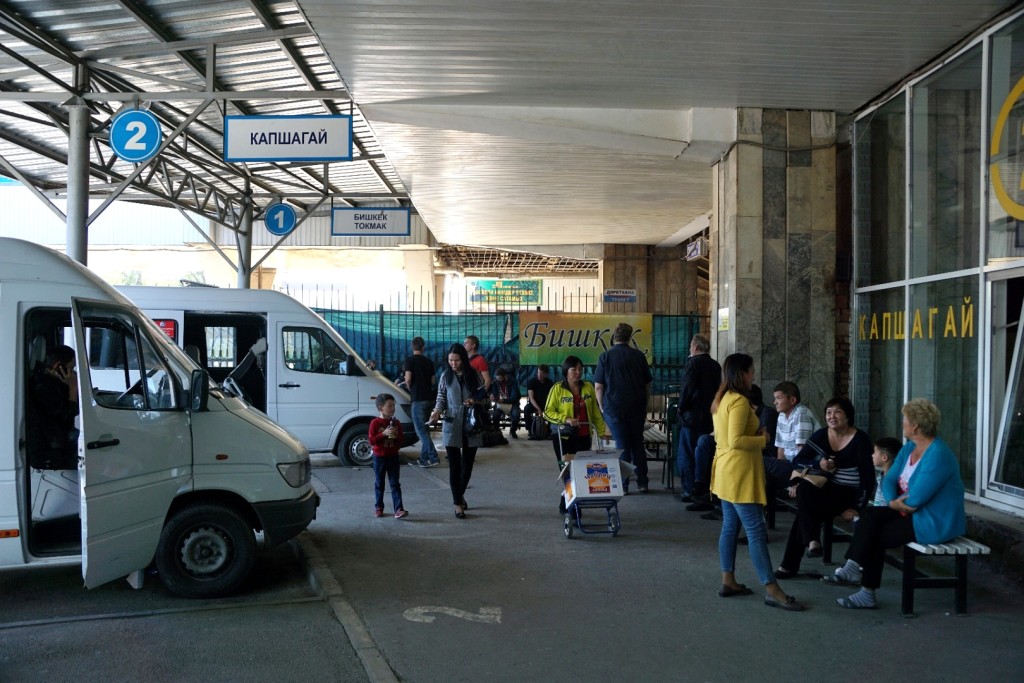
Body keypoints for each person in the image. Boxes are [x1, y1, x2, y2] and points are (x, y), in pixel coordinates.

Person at [824, 399, 965, 610]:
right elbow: (889, 479)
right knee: (870, 515)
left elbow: (917, 498)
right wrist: (892, 502)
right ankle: (854, 568)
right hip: (907, 512)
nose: (903, 423)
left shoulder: (938, 455)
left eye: (905, 420)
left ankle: (865, 590)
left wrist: (901, 504)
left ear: (915, 425)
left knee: (875, 535)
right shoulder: (910, 447)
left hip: (932, 520)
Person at [710, 353, 804, 611]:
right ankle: (772, 589)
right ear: (741, 373)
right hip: (739, 472)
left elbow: (726, 438)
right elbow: (736, 440)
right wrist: (763, 438)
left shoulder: (722, 399)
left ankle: (728, 579)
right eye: (751, 371)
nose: (753, 375)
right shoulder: (739, 402)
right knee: (755, 531)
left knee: (730, 526)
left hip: (726, 471)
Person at [775, 398, 874, 578]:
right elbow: (798, 460)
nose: (832, 416)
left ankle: (793, 561)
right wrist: (818, 464)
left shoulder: (860, 440)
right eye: (828, 412)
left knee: (805, 513)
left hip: (848, 494)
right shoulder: (821, 435)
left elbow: (868, 479)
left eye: (837, 412)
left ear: (847, 416)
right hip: (826, 489)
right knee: (805, 490)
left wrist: (856, 507)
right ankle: (812, 541)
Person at [429, 343, 486, 519]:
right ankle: (457, 503)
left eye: (457, 360)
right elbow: (441, 398)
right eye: (450, 360)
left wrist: (474, 401)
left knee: (467, 465)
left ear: (463, 359)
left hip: (471, 422)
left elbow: (482, 393)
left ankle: (458, 495)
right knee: (454, 465)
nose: (453, 363)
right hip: (451, 422)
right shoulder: (446, 376)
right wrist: (437, 412)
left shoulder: (474, 375)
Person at [594, 322, 653, 494]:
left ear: (614, 337)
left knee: (622, 446)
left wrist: (602, 407)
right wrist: (644, 403)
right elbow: (647, 384)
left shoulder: (604, 357)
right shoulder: (639, 356)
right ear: (629, 337)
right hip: (636, 407)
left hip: (614, 408)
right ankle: (642, 482)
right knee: (637, 444)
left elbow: (599, 386)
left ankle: (623, 484)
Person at [676, 334, 722, 508]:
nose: (689, 349)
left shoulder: (692, 364)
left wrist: (681, 407)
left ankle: (689, 490)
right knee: (705, 453)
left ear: (695, 347)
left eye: (690, 346)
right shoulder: (716, 365)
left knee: (687, 453)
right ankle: (705, 488)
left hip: (692, 416)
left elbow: (687, 388)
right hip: (710, 417)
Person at [543, 355, 609, 469]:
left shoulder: (588, 387)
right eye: (574, 369)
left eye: (580, 369)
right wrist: (566, 419)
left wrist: (601, 432)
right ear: (566, 371)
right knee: (566, 468)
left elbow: (595, 412)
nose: (578, 372)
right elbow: (548, 412)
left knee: (582, 468)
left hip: (584, 435)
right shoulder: (557, 388)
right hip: (564, 436)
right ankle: (568, 487)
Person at [26, 344, 79, 471]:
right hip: (51, 444)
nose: (73, 372)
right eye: (71, 368)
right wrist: (72, 388)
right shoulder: (43, 387)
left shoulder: (53, 381)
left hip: (59, 434)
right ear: (59, 367)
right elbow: (68, 414)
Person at [764, 381, 822, 490]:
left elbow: (803, 453)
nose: (775, 402)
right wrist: (779, 471)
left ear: (792, 400)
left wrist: (798, 481)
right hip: (790, 466)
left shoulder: (801, 414)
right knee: (765, 474)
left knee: (761, 462)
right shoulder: (781, 416)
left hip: (807, 469)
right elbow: (781, 449)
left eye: (779, 398)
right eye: (775, 398)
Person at [368, 393, 408, 519]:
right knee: (379, 483)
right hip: (379, 458)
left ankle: (399, 509)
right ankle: (379, 507)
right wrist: (383, 434)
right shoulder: (375, 423)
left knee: (395, 483)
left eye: (393, 405)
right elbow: (371, 441)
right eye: (389, 406)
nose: (392, 408)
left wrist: (396, 436)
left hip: (393, 457)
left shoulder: (396, 423)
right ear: (381, 408)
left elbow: (401, 440)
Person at [403, 336, 440, 468]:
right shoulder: (429, 362)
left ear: (412, 347)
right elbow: (433, 381)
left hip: (418, 398)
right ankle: (423, 458)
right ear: (423, 347)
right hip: (429, 398)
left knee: (421, 431)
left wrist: (410, 388)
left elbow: (408, 378)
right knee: (425, 429)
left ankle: (433, 457)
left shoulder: (409, 360)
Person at [489, 367, 522, 438]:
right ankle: (497, 431)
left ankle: (513, 430)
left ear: (505, 376)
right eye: (497, 378)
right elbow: (494, 393)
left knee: (516, 415)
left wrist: (503, 401)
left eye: (500, 378)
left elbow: (514, 397)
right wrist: (492, 396)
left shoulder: (513, 382)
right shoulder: (495, 382)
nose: (499, 380)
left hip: (512, 403)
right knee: (495, 415)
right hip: (500, 404)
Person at [870, 437, 902, 507]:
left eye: (874, 452)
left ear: (884, 457)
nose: (872, 455)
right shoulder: (881, 476)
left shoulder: (896, 480)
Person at [525, 364, 553, 440]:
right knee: (527, 409)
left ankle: (549, 432)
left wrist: (548, 406)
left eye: (542, 373)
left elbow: (551, 397)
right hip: (534, 403)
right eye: (538, 372)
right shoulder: (532, 381)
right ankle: (530, 431)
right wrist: (538, 409)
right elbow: (531, 398)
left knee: (553, 410)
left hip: (545, 403)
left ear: (546, 374)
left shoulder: (550, 383)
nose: (539, 375)